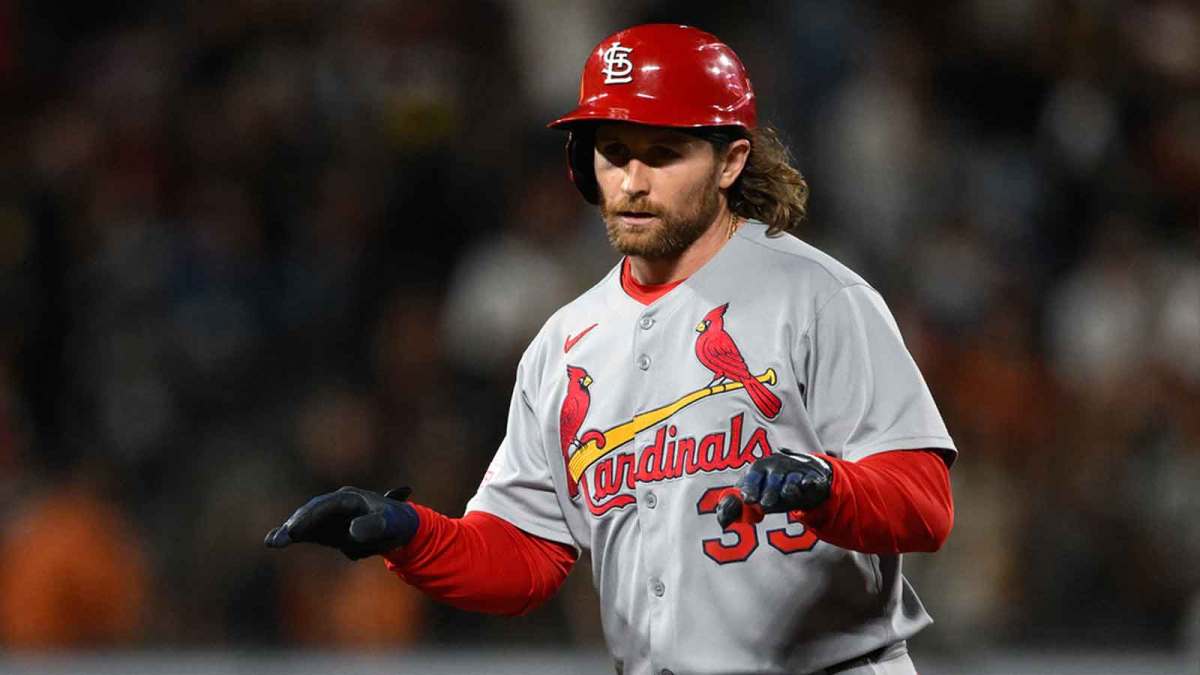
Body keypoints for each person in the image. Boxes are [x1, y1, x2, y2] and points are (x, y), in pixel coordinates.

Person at [266, 23, 955, 675]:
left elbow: (925, 503)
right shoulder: (566, 343)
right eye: (614, 151)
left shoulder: (818, 298)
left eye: (663, 153)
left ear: (730, 160)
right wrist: (409, 533)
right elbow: (527, 556)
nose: (631, 180)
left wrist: (831, 486)